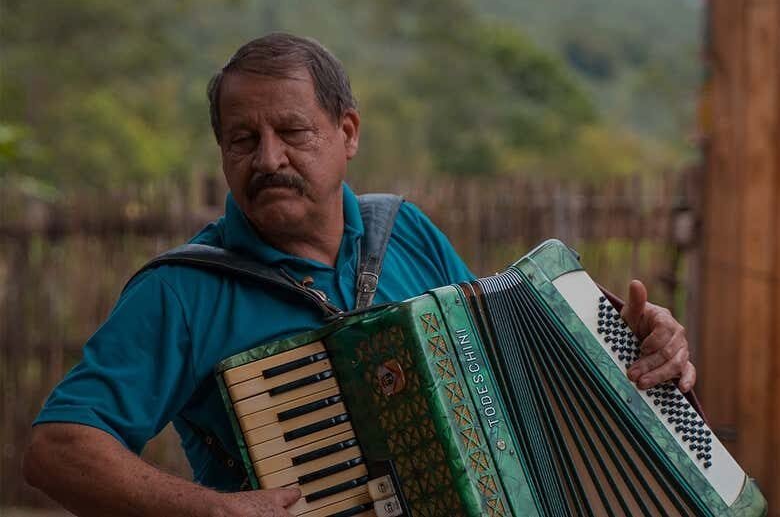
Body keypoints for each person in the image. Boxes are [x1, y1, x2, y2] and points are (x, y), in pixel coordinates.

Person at [23, 33, 696, 517]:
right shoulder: (180, 291)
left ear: (347, 132)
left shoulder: (403, 230)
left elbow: (500, 359)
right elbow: (57, 448)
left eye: (293, 131)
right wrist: (210, 510)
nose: (268, 158)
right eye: (242, 139)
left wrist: (630, 349)